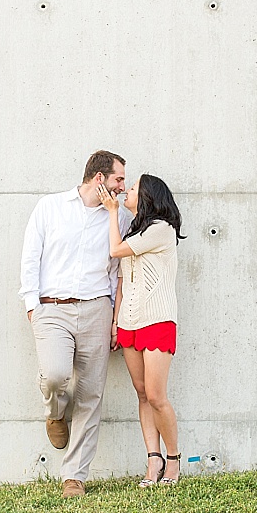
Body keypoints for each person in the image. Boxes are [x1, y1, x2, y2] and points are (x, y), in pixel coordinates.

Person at [19, 150, 131, 498]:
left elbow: (118, 272)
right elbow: (31, 257)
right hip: (52, 308)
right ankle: (54, 413)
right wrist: (32, 306)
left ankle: (74, 477)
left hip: (97, 308)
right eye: (118, 180)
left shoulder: (120, 217)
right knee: (55, 375)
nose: (122, 187)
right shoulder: (50, 207)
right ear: (100, 179)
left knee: (90, 393)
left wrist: (114, 319)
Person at [97, 174, 185, 487]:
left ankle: (173, 460)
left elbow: (115, 251)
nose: (127, 192)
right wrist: (115, 322)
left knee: (157, 395)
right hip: (129, 323)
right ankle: (153, 459)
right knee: (143, 393)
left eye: (132, 189)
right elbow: (121, 281)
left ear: (147, 196)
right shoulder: (135, 229)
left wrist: (110, 212)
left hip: (157, 320)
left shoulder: (161, 229)